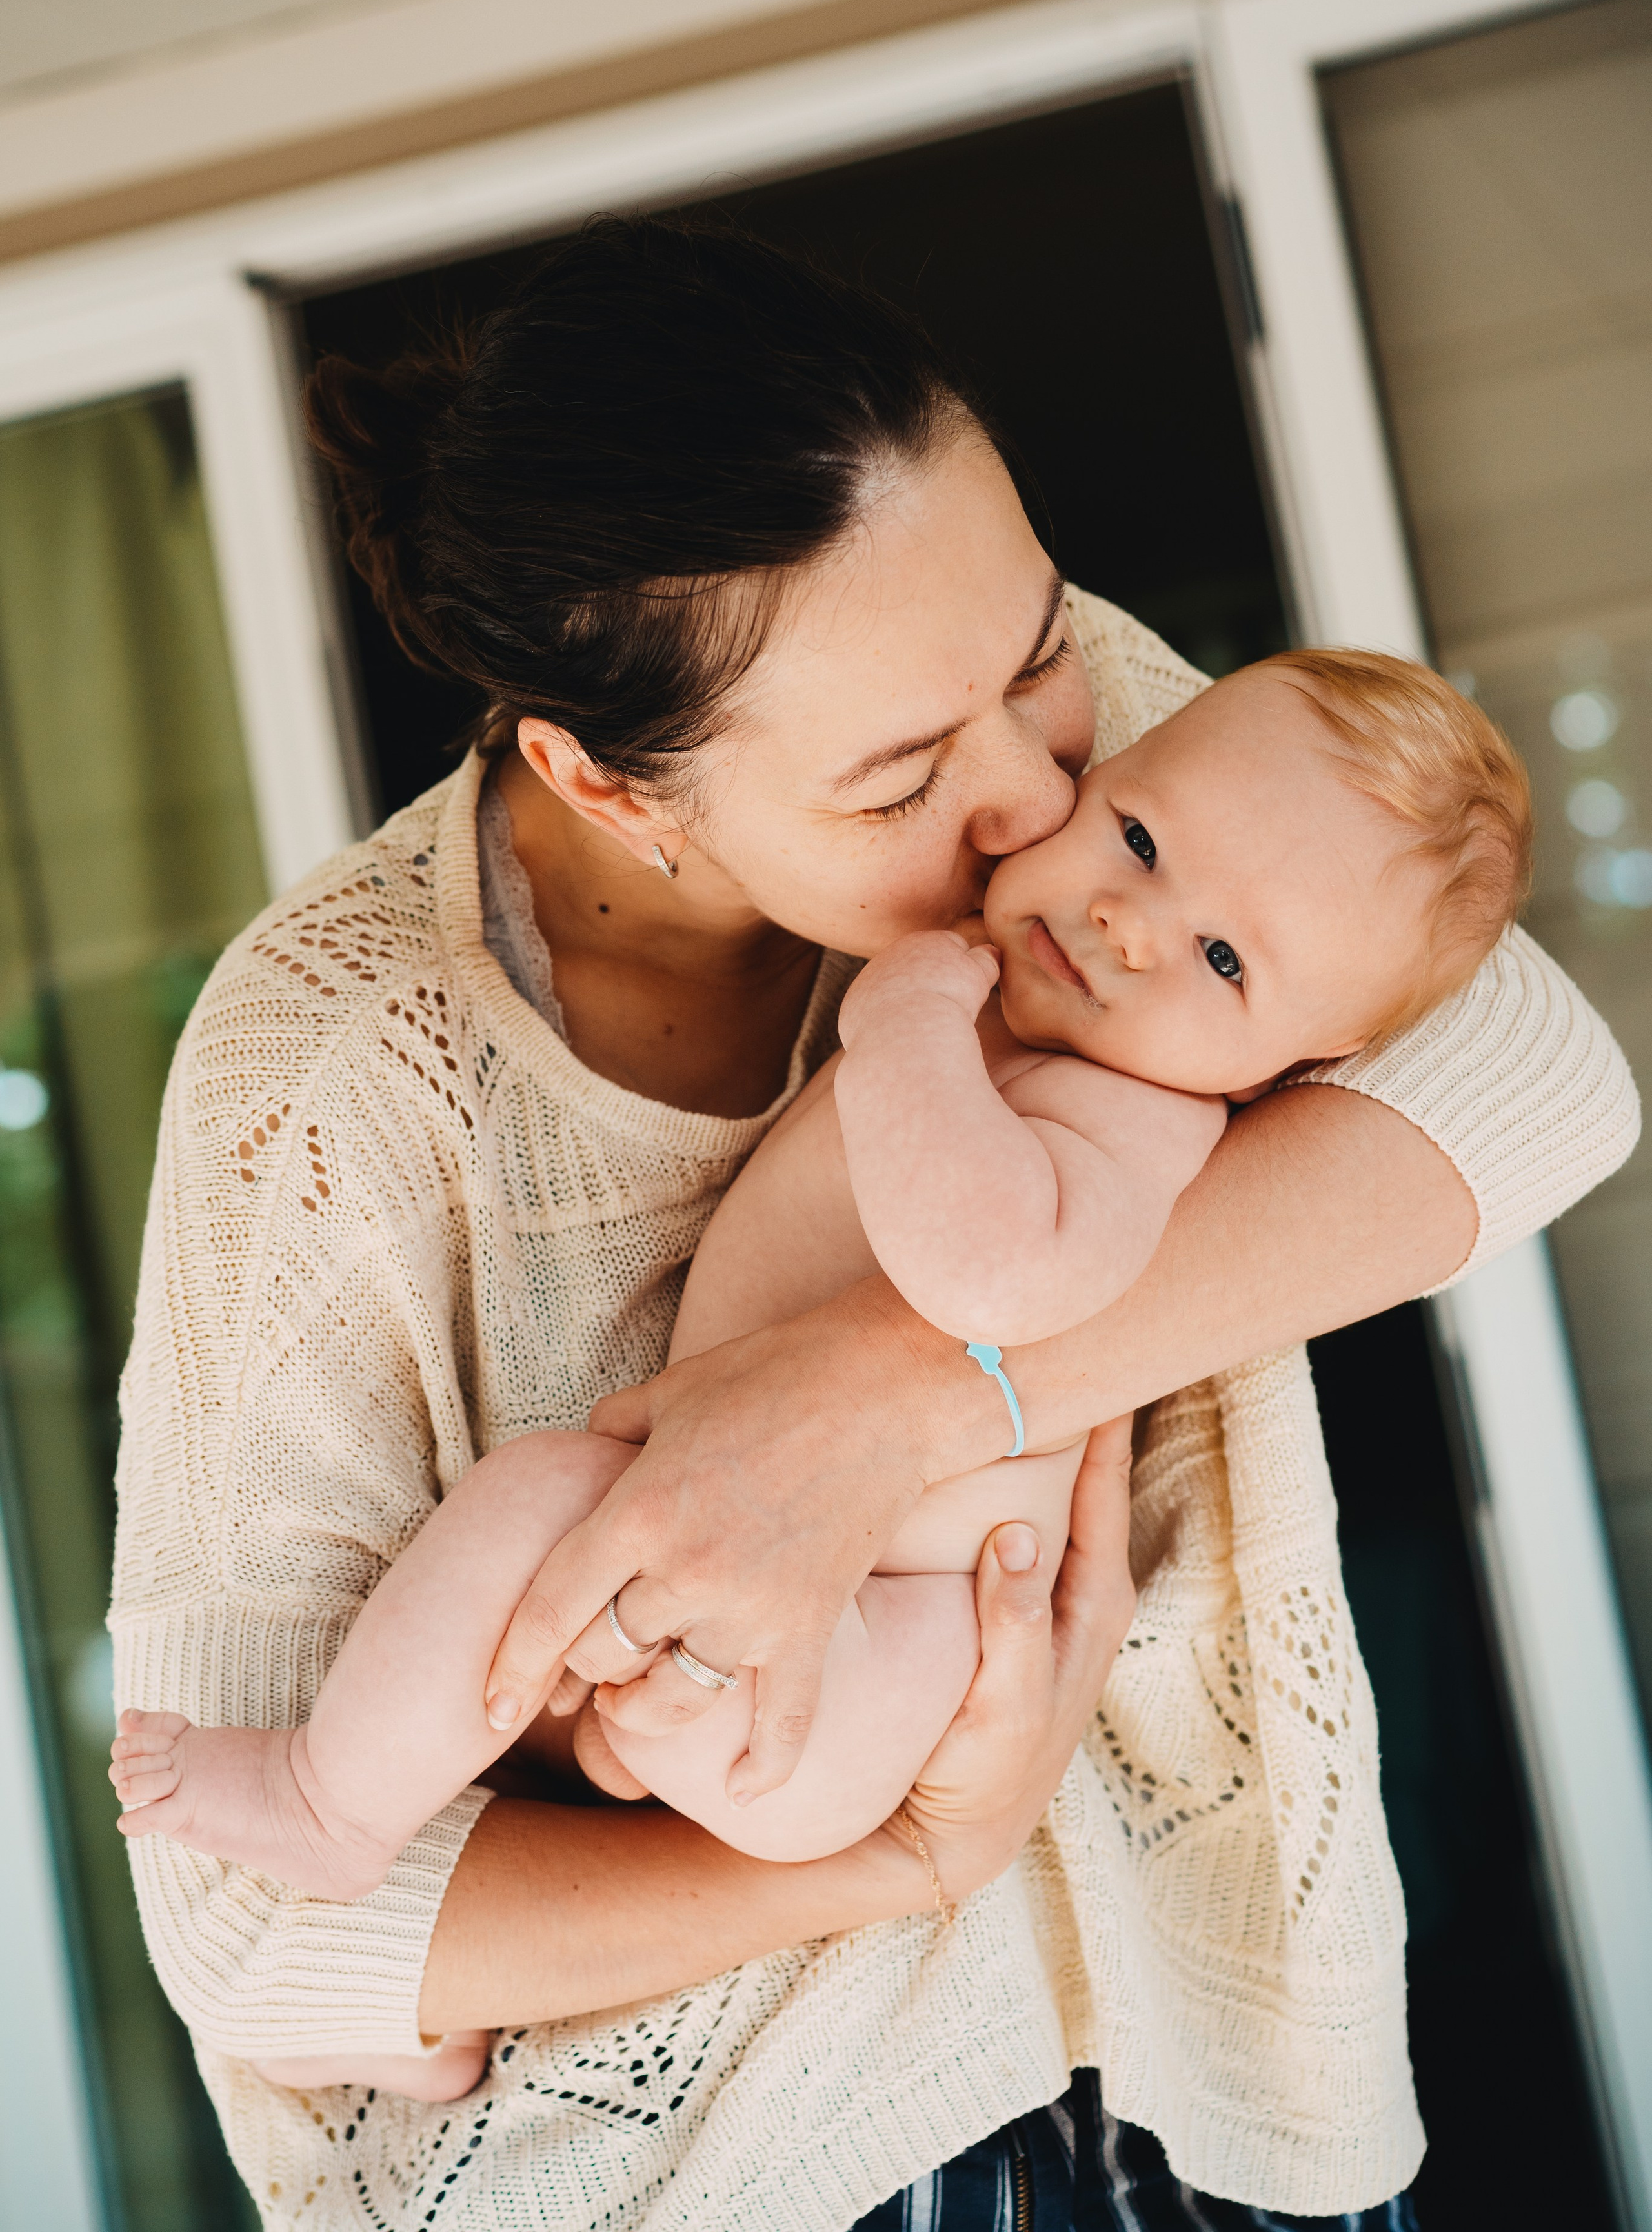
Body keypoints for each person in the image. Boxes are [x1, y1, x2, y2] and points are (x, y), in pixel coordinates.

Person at [109, 217, 1637, 2231]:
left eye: (1036, 651)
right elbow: (252, 1933)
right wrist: (900, 1855)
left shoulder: (1078, 770)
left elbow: (1536, 1079)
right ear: (605, 782)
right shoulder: (328, 1072)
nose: (1034, 804)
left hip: (1195, 2086)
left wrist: (876, 1407)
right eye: (909, 770)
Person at [111, 651, 1531, 1912]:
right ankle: (370, 1904)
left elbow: (983, 1271)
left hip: (877, 1658)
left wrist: (906, 1020)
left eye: (1222, 959)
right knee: (522, 1531)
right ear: (1091, 782)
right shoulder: (1032, 980)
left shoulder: (1140, 1123)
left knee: (543, 1529)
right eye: (1138, 836)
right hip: (740, 1570)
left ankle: (342, 1817)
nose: (1127, 923)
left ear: (1283, 1072)